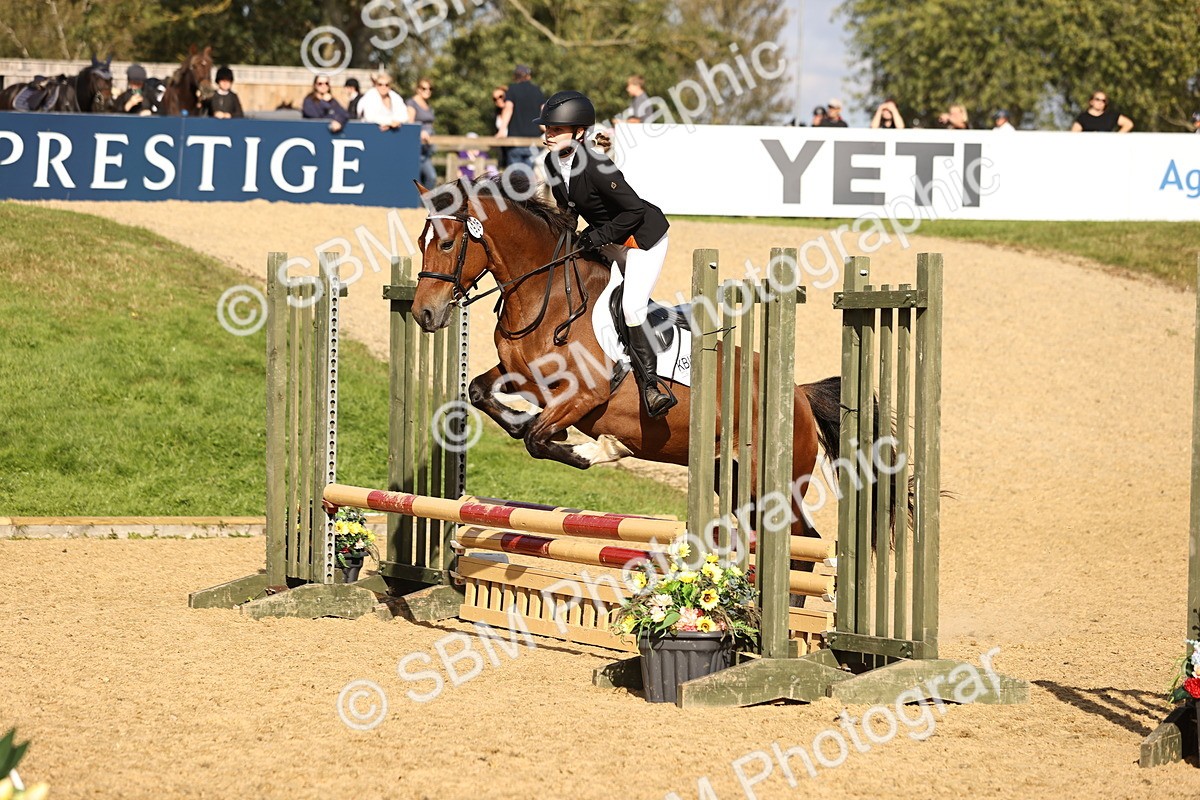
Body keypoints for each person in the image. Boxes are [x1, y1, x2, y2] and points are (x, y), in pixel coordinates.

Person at [537, 90, 676, 418]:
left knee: (631, 306)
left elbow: (634, 211)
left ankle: (651, 386)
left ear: (579, 132)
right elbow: (567, 211)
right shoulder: (551, 163)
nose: (548, 134)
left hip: (641, 241)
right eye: (547, 129)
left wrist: (595, 236)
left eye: (556, 129)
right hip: (607, 241)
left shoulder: (596, 165)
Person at [498, 64, 545, 170]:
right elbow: (543, 111)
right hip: (534, 141)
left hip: (515, 141)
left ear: (515, 76)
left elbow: (508, 108)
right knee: (529, 178)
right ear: (529, 76)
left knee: (516, 180)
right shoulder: (537, 90)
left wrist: (501, 130)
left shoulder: (512, 89)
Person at [406, 77, 437, 188]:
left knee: (426, 179)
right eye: (424, 88)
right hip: (417, 148)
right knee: (430, 177)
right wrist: (420, 132)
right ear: (418, 89)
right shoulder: (412, 103)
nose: (427, 91)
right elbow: (410, 124)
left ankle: (422, 204)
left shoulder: (428, 105)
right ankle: (420, 204)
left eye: (430, 89)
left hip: (427, 149)